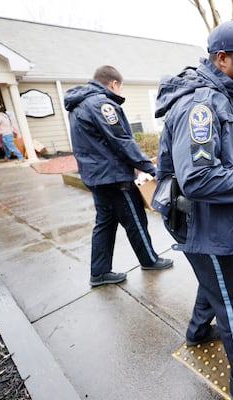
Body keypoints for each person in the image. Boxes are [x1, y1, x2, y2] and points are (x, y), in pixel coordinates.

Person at [153, 20, 233, 400]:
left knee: (215, 281)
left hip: (210, 219)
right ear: (223, 58)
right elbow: (199, 180)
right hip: (201, 223)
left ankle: (196, 333)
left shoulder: (224, 95)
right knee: (230, 299)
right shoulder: (201, 106)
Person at [64, 65, 173, 287]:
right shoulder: (102, 104)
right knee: (135, 220)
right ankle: (149, 259)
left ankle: (100, 271)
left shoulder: (78, 105)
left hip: (96, 176)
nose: (120, 92)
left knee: (105, 222)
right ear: (113, 84)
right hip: (114, 177)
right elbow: (121, 140)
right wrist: (149, 167)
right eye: (120, 87)